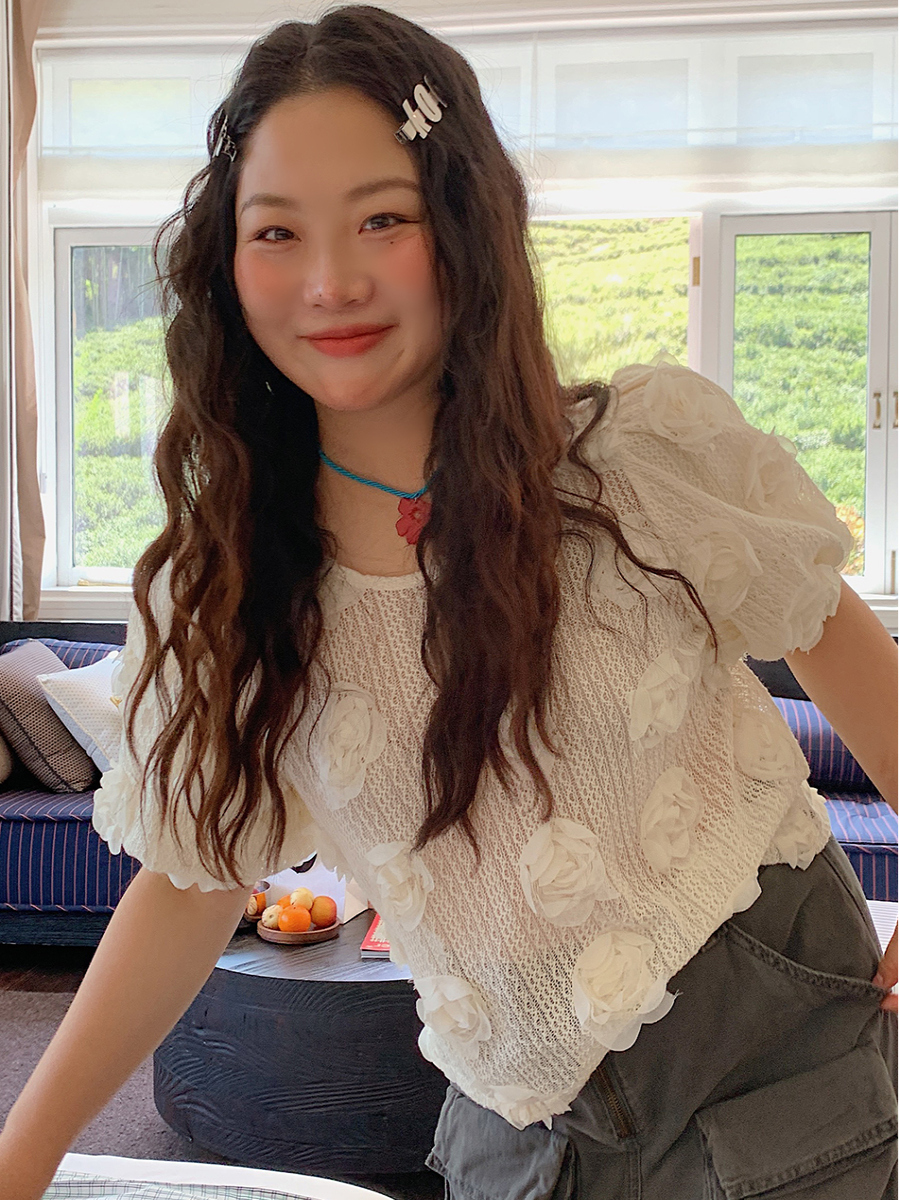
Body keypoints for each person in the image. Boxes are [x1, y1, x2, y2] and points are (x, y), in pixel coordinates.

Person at [1, 6, 896, 1198]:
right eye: (278, 232)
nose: (332, 282)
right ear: (229, 261)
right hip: (516, 1128)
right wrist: (22, 1155)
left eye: (384, 218)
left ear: (463, 221)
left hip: (774, 1052)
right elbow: (194, 875)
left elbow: (833, 634)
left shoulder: (638, 460)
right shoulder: (227, 590)